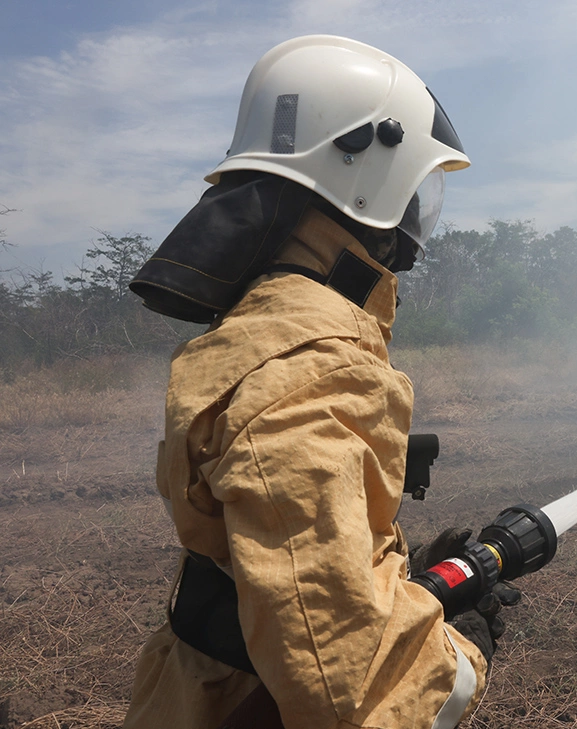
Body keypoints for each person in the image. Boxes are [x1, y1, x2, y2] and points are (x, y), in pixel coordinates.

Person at [123, 35, 511, 729]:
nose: (416, 215)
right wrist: (461, 651)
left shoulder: (263, 326)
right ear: (371, 171)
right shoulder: (316, 369)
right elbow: (351, 693)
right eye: (415, 186)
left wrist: (393, 581)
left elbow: (277, 570)